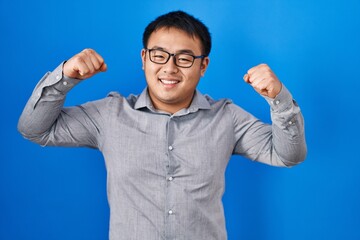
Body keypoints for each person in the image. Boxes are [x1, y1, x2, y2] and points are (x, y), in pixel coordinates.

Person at [18, 10, 307, 240]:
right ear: (144, 59)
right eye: (159, 55)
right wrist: (65, 77)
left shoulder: (227, 117)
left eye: (184, 58)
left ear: (202, 66)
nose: (169, 68)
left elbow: (287, 154)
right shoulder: (110, 114)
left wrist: (279, 98)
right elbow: (34, 128)